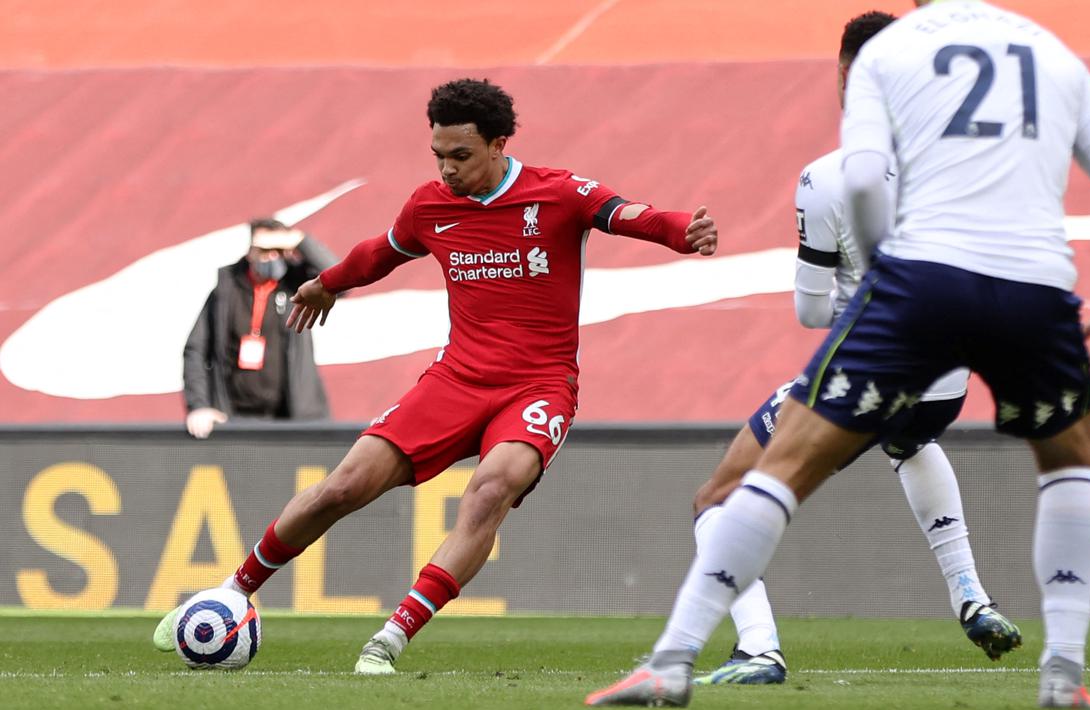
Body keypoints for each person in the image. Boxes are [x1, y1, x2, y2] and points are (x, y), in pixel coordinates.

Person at [587, 0, 1090, 706]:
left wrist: (888, 287)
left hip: (922, 286)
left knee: (775, 468)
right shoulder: (1049, 51)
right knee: (1066, 468)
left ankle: (675, 659)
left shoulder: (890, 55)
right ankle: (1062, 676)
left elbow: (858, 181)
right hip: (1033, 285)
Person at [154, 78, 719, 673]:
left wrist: (682, 231)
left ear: (500, 144)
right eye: (438, 156)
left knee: (491, 489)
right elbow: (381, 251)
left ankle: (390, 638)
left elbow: (628, 214)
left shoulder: (557, 193)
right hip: (455, 381)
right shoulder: (431, 205)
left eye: (461, 156)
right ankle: (232, 591)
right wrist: (327, 283)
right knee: (343, 487)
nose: (447, 170)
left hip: (539, 386)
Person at [690, 10, 1018, 688]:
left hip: (861, 376)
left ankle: (759, 650)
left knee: (718, 499)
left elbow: (811, 311)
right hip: (944, 386)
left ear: (848, 76)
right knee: (909, 443)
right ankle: (970, 598)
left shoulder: (828, 177)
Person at [182, 218, 336, 439]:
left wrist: (300, 241)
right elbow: (195, 349)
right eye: (264, 250)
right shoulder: (227, 289)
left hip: (292, 420)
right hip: (233, 419)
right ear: (250, 251)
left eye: (279, 250)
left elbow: (339, 280)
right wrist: (199, 405)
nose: (272, 257)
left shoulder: (299, 285)